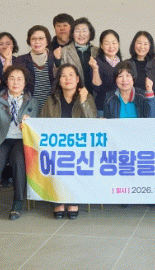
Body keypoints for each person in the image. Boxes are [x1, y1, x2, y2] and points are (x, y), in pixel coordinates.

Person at [0, 66, 39, 223]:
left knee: (18, 160)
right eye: (12, 78)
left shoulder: (32, 101)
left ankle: (18, 202)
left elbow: (36, 125)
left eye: (19, 79)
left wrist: (28, 123)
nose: (15, 82)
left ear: (25, 82)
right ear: (6, 81)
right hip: (2, 139)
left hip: (22, 140)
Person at [41, 64, 97, 218]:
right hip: (56, 145)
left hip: (80, 145)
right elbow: (41, 123)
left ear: (78, 79)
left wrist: (84, 101)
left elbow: (93, 123)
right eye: (63, 76)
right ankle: (58, 200)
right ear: (59, 80)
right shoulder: (51, 100)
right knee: (54, 158)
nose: (67, 79)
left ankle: (73, 199)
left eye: (71, 75)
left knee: (75, 159)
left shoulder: (87, 97)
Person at [14, 25, 56, 111]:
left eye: (41, 38)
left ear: (47, 41)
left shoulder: (55, 58)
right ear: (29, 41)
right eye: (33, 39)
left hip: (52, 107)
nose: (37, 42)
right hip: (29, 107)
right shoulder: (20, 60)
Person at [125, 31, 155, 116]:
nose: (142, 47)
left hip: (154, 111)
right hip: (131, 109)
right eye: (139, 43)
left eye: (145, 44)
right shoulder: (125, 64)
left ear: (150, 46)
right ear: (134, 44)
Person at [59, 17, 99, 95]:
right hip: (72, 96)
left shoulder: (97, 52)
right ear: (72, 33)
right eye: (77, 31)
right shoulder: (64, 51)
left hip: (95, 95)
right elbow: (58, 76)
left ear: (90, 33)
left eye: (84, 31)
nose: (81, 34)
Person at [90, 29, 122, 117]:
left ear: (118, 44)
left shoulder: (122, 63)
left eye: (114, 43)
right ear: (101, 45)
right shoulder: (96, 62)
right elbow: (97, 88)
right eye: (107, 43)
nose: (111, 47)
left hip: (120, 106)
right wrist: (95, 69)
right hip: (102, 107)